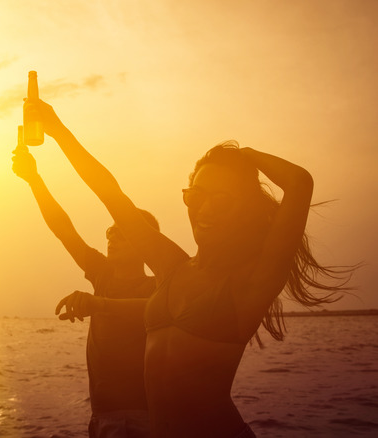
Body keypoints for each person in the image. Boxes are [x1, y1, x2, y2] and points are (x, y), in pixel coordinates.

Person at [38, 101, 352, 438]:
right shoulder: (171, 265)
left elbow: (299, 182)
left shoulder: (252, 281)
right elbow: (110, 193)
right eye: (197, 195)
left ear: (244, 210)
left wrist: (243, 154)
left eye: (222, 199)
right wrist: (56, 129)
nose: (205, 208)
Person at [12, 140, 157, 438]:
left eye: (123, 232)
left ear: (146, 243)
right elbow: (63, 229)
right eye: (110, 231)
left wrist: (97, 304)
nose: (112, 237)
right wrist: (34, 180)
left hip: (142, 418)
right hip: (102, 418)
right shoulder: (102, 274)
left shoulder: (157, 287)